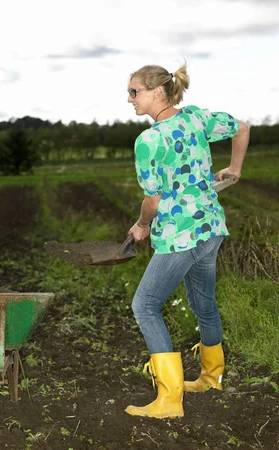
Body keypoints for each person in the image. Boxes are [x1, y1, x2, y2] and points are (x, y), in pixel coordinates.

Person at [124, 61, 249, 418]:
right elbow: (242, 128)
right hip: (210, 228)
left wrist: (142, 225)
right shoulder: (195, 118)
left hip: (180, 237)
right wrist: (235, 168)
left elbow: (153, 200)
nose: (130, 99)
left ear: (157, 91)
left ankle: (169, 400)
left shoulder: (149, 141)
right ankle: (211, 377)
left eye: (135, 92)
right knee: (203, 303)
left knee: (145, 305)